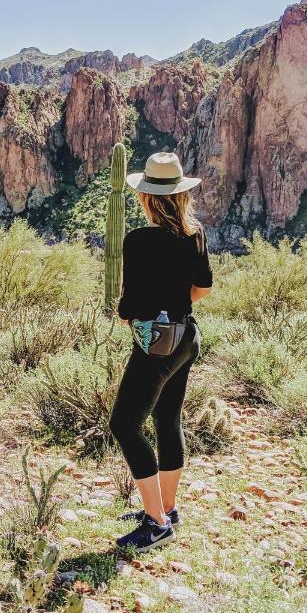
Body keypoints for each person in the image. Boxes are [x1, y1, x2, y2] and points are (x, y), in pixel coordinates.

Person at [109, 150, 213, 552]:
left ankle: (156, 523)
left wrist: (128, 313)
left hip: (157, 346)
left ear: (147, 197)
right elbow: (202, 288)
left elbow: (131, 305)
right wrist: (175, 305)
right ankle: (167, 509)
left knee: (124, 424)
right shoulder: (195, 233)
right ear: (180, 194)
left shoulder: (137, 241)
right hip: (187, 338)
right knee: (168, 419)